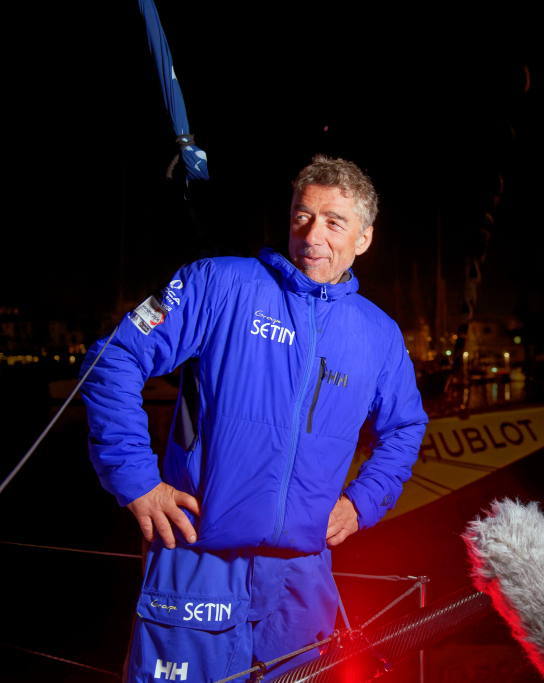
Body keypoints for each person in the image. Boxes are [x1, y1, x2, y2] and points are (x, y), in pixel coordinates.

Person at [79, 156, 428, 682]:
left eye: (334, 222)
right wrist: (136, 480)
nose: (312, 235)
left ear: (364, 238)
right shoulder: (218, 283)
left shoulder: (378, 334)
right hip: (196, 558)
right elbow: (114, 358)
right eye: (302, 216)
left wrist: (362, 502)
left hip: (301, 580)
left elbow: (404, 428)